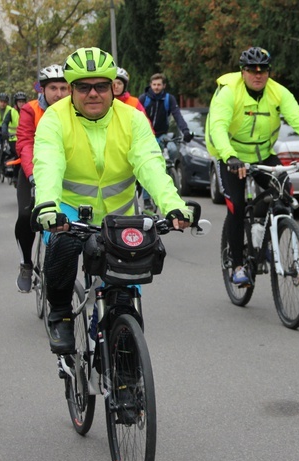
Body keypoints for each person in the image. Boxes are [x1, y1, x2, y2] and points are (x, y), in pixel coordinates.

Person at [34, 47, 192, 354]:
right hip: (68, 212)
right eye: (83, 87)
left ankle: (126, 364)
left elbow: (149, 164)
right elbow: (48, 164)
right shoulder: (54, 119)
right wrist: (48, 206)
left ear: (112, 87)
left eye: (101, 86)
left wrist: (173, 205)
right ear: (71, 89)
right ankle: (61, 315)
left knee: (126, 296)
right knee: (62, 245)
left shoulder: (132, 119)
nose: (93, 93)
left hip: (120, 216)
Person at [205, 46, 299, 284]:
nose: (258, 75)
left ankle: (261, 233)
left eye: (263, 71)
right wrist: (230, 156)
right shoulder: (230, 92)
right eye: (252, 70)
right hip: (231, 157)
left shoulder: (278, 92)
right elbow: (218, 127)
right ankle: (238, 265)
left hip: (263, 155)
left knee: (284, 191)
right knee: (237, 206)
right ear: (243, 72)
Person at [13, 64, 70, 293]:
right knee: (28, 215)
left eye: (64, 88)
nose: (59, 94)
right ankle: (27, 263)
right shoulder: (31, 109)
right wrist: (33, 175)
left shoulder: (76, 109)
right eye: (53, 88)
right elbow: (25, 143)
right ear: (43, 89)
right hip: (34, 172)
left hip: (68, 174)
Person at [138, 72, 193, 211]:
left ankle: (170, 171)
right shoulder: (144, 98)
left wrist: (185, 131)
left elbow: (177, 115)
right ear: (150, 85)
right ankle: (146, 199)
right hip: (147, 135)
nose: (156, 87)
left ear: (164, 86)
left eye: (159, 85)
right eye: (154, 84)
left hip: (162, 134)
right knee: (148, 165)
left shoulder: (169, 99)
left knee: (174, 149)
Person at [1, 91, 28, 184]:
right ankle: (16, 176)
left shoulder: (28, 111)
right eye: (19, 102)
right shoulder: (11, 112)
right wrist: (4, 132)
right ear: (16, 102)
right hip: (14, 139)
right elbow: (5, 123)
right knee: (19, 155)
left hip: (26, 138)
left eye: (23, 101)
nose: (21, 104)